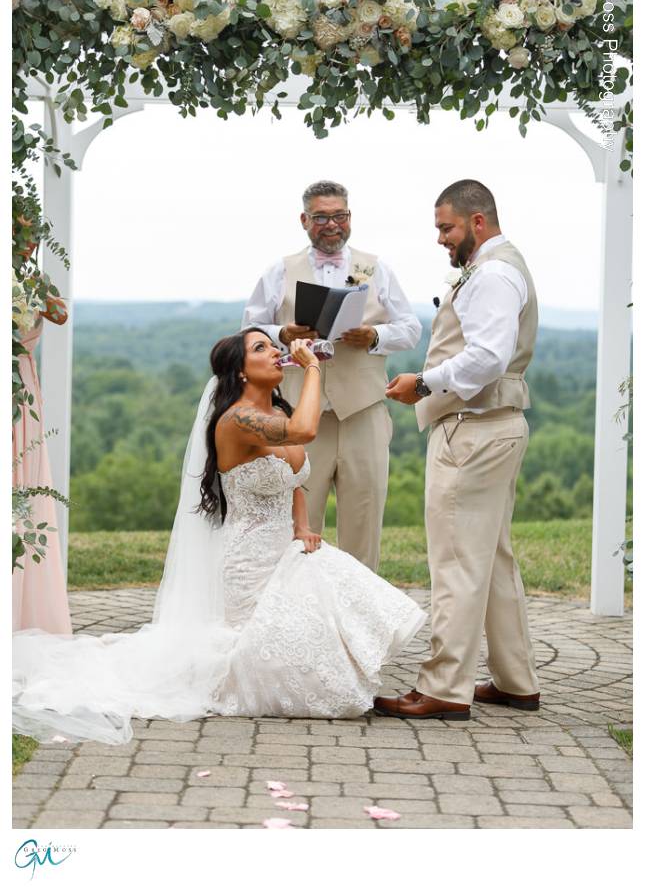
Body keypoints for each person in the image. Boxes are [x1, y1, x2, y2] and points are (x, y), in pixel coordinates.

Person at [12, 329, 426, 744]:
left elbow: (294, 480)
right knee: (263, 653)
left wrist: (301, 526)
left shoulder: (277, 412)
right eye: (260, 348)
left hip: (284, 552)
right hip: (247, 564)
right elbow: (305, 432)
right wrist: (314, 367)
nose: (275, 352)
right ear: (240, 372)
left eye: (273, 345)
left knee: (335, 578)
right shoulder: (237, 421)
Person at [376, 179, 540, 721]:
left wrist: (424, 382)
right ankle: (516, 681)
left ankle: (445, 686)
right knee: (492, 559)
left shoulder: (492, 274)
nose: (441, 238)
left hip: (472, 431)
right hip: (494, 427)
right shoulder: (500, 267)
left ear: (477, 221)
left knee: (455, 561)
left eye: (446, 227)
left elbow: (489, 357)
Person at [242, 179, 421, 571]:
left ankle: (361, 609)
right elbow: (249, 330)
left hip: (363, 412)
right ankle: (301, 606)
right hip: (299, 417)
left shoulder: (375, 268)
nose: (332, 225)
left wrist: (375, 336)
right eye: (321, 217)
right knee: (298, 529)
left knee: (364, 523)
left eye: (339, 216)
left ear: (350, 217)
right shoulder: (280, 270)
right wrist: (283, 334)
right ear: (304, 220)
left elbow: (411, 328)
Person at [12, 212, 71, 635]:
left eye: (33, 235)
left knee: (24, 480)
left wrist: (29, 279)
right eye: (21, 232)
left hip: (22, 387)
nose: (29, 242)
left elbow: (60, 314)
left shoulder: (30, 282)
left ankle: (26, 606)